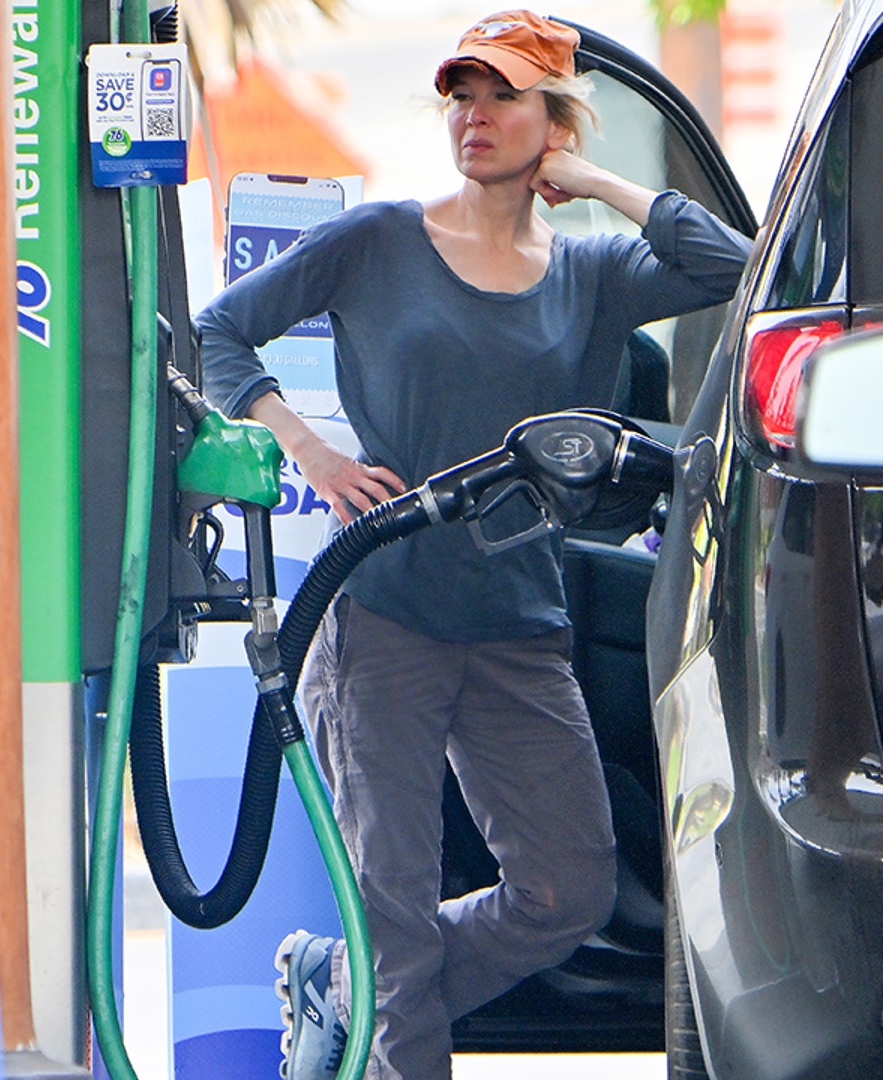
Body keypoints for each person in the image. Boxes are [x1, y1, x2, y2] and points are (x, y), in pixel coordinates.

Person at [191, 11, 750, 1080]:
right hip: (381, 618)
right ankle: (370, 981)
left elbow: (735, 264)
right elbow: (220, 331)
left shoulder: (591, 272)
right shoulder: (379, 242)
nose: (474, 115)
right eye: (460, 94)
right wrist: (307, 448)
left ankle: (336, 984)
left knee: (570, 889)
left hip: (518, 625)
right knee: (394, 922)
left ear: (553, 121)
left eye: (502, 95)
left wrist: (601, 185)